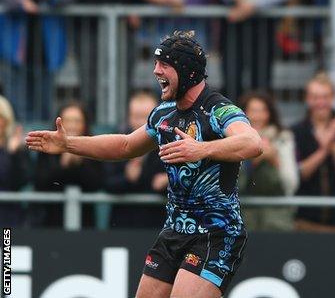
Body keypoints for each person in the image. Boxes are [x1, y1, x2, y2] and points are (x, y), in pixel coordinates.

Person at [26, 30, 263, 298]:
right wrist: (68, 144)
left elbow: (253, 143)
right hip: (174, 231)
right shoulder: (164, 112)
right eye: (155, 63)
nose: (155, 71)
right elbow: (126, 146)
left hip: (216, 233)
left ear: (187, 71)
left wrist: (201, 149)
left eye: (164, 65)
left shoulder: (220, 110)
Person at [291, 72, 335, 232]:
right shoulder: (295, 132)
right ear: (307, 99)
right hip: (304, 221)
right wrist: (324, 150)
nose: (320, 102)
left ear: (333, 98)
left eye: (325, 97)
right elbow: (299, 173)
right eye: (315, 97)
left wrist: (333, 144)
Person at [31, 102, 104, 228]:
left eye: (77, 121)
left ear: (85, 125)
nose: (72, 126)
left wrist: (79, 163)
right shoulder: (47, 147)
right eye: (68, 121)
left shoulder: (94, 147)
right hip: (51, 221)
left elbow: (98, 184)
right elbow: (40, 183)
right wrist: (62, 165)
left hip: (85, 222)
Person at [106, 90, 168, 229]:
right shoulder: (116, 144)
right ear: (129, 117)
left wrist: (168, 180)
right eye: (137, 116)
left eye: (147, 116)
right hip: (122, 225)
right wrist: (127, 178)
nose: (142, 123)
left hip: (157, 226)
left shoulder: (169, 144)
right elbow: (106, 183)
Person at [238, 91, 298, 231]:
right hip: (244, 217)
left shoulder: (283, 138)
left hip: (277, 218)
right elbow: (234, 185)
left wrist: (273, 158)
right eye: (253, 111)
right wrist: (253, 158)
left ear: (269, 114)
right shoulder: (231, 139)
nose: (257, 116)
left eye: (262, 111)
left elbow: (290, 183)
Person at [0, 95, 30, 227]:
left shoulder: (18, 149)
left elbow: (21, 180)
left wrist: (12, 154)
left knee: (8, 247)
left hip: (9, 218)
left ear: (7, 120)